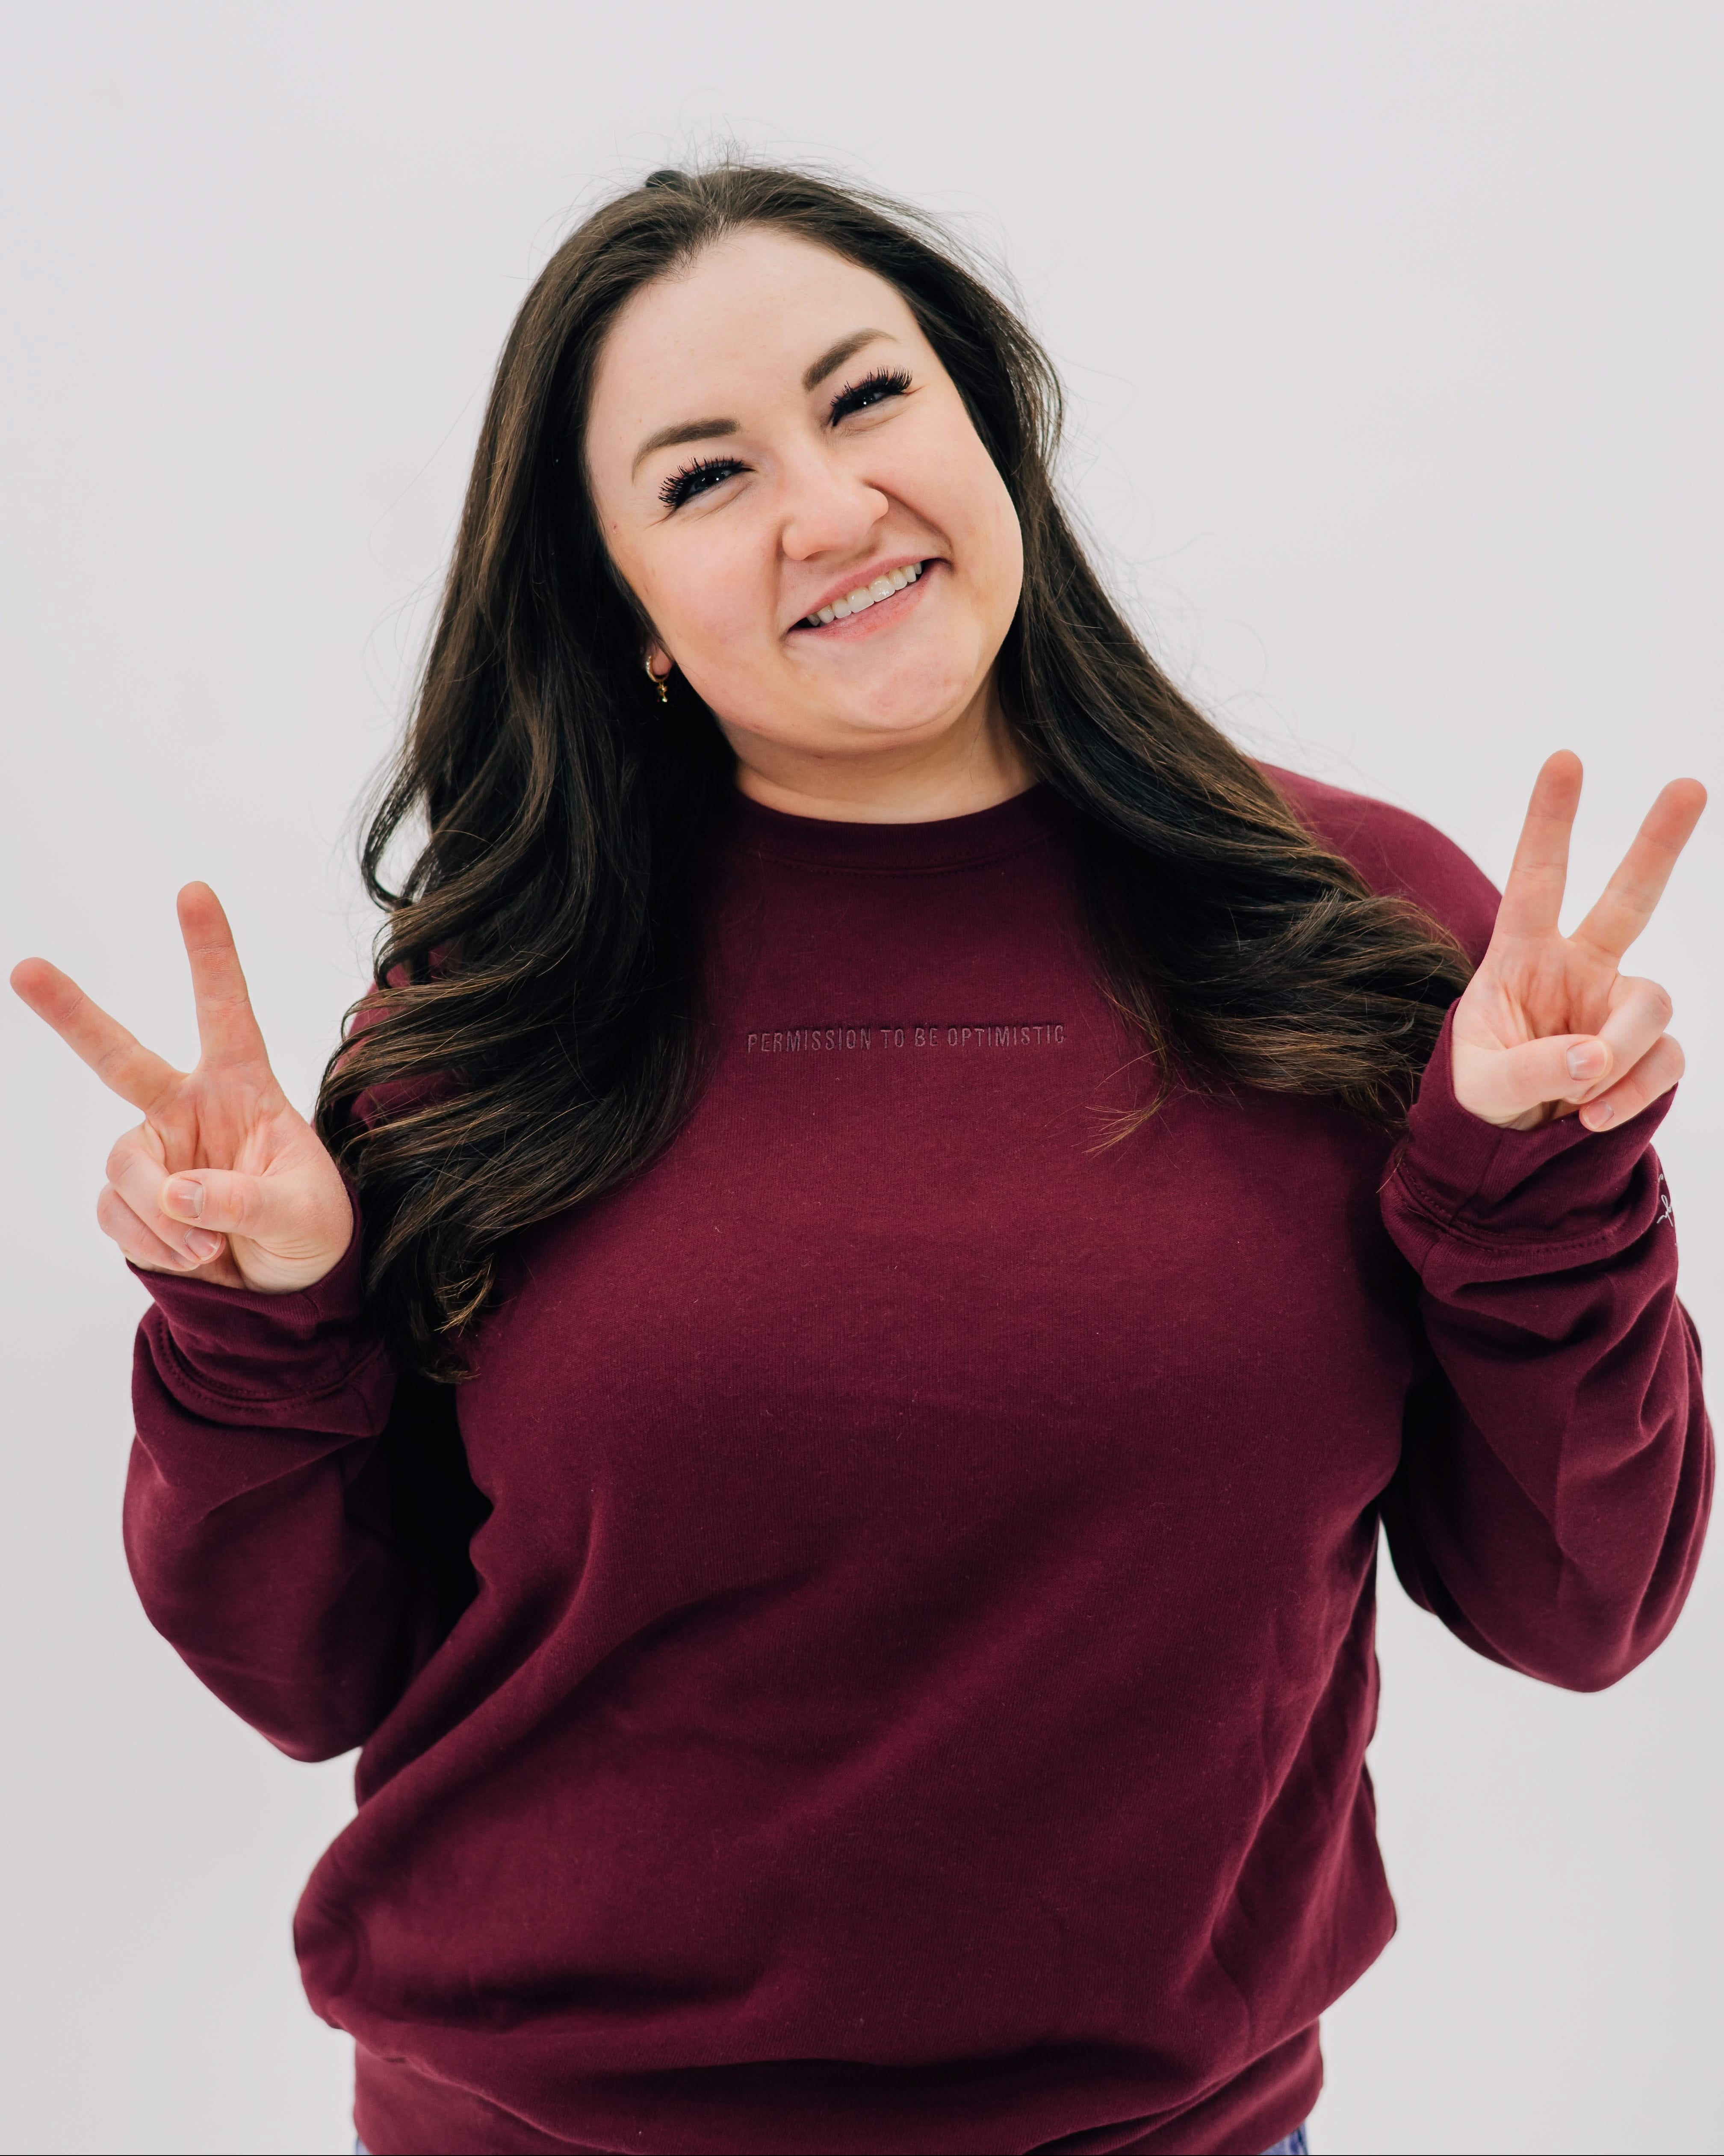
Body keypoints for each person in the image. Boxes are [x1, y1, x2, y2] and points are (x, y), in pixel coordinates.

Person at [10, 162, 1711, 2156]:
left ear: (988, 426)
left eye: (869, 397)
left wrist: (1541, 1193)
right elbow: (309, 1673)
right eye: (705, 477)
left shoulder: (1348, 932)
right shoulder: (504, 1011)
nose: (831, 506)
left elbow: (1579, 1608)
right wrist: (260, 1322)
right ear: (624, 608)